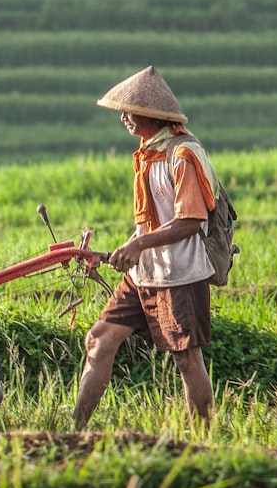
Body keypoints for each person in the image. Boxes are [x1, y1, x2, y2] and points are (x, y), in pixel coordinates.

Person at [73, 66, 220, 429]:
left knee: (187, 358)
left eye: (130, 111)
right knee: (99, 339)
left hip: (180, 272)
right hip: (146, 274)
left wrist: (140, 244)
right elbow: (149, 222)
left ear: (153, 115)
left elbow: (190, 220)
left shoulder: (182, 154)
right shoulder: (146, 154)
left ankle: (203, 441)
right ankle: (73, 431)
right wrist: (125, 249)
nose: (123, 118)